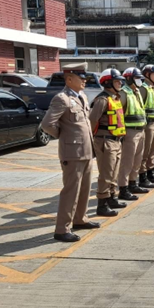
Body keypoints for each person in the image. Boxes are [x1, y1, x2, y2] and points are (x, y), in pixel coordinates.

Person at [41, 63, 99, 243]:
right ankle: (62, 229)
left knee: (85, 188)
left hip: (86, 150)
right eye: (81, 78)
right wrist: (63, 135)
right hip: (72, 152)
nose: (84, 81)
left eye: (85, 78)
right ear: (69, 79)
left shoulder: (82, 96)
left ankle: (80, 219)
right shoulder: (62, 99)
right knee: (71, 191)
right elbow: (47, 124)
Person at [89, 69, 128, 217]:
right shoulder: (102, 100)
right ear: (107, 82)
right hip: (105, 141)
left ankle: (112, 198)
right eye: (117, 81)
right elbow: (92, 120)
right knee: (106, 174)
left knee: (114, 173)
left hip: (116, 140)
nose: (120, 83)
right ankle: (102, 204)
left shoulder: (115, 98)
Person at [118, 67, 148, 201]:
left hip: (140, 130)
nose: (139, 80)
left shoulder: (136, 92)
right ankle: (123, 188)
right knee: (127, 162)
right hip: (129, 132)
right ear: (129, 79)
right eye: (136, 78)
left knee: (137, 160)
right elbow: (118, 114)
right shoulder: (124, 93)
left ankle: (132, 183)